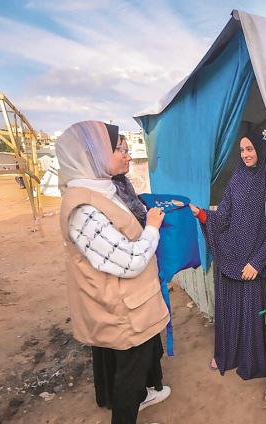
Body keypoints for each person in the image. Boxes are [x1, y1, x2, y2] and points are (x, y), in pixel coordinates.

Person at [56, 121, 170, 424]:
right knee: (129, 376)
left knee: (135, 365)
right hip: (120, 310)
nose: (125, 154)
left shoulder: (101, 190)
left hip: (129, 302)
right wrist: (152, 229)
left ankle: (143, 396)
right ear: (91, 153)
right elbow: (130, 260)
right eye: (117, 148)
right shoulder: (82, 208)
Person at [189, 130, 266, 380]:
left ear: (260, 149)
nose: (245, 154)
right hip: (230, 254)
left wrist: (257, 261)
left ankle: (246, 360)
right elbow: (222, 216)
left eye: (250, 149)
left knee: (249, 314)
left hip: (252, 262)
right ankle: (227, 355)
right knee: (228, 312)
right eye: (242, 150)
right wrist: (200, 214)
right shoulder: (237, 178)